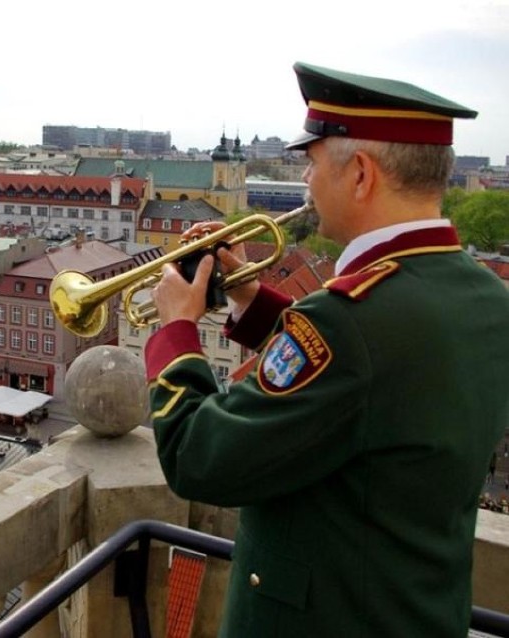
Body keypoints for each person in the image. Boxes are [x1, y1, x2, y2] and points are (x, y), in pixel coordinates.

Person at [145, 61, 509, 638]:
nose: (308, 183)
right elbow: (371, 386)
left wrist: (175, 331)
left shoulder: (349, 320)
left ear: (361, 174)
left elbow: (197, 458)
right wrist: (248, 295)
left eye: (311, 165)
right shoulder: (488, 296)